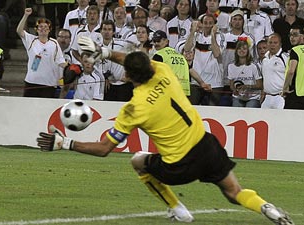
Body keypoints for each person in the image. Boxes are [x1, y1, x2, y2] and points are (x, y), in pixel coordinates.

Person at [36, 35, 295, 225]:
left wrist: (66, 143)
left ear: (128, 76)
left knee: (138, 160)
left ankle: (178, 209)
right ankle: (266, 208)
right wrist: (103, 52)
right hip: (207, 146)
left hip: (179, 165)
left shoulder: (133, 108)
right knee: (234, 192)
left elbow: (105, 149)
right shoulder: (163, 71)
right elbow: (135, 61)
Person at [17, 7, 67, 98]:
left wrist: (70, 67)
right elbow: (19, 31)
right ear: (36, 29)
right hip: (31, 81)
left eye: (46, 27)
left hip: (49, 83)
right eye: (40, 26)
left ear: (49, 29)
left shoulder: (54, 43)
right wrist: (26, 15)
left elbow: (60, 60)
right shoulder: (31, 40)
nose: (43, 28)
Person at [151, 30, 190, 96]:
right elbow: (190, 69)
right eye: (154, 41)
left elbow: (152, 74)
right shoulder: (179, 55)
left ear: (166, 41)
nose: (156, 43)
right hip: (184, 92)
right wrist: (202, 83)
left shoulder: (160, 55)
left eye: (158, 41)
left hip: (169, 92)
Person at [228, 40, 263, 107]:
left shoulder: (254, 66)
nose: (242, 51)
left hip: (253, 98)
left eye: (244, 49)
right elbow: (231, 85)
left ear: (248, 51)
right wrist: (235, 90)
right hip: (238, 97)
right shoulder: (231, 66)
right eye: (239, 48)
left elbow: (260, 85)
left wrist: (247, 86)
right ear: (236, 51)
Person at [261, 33, 288, 109]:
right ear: (267, 44)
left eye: (275, 43)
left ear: (280, 44)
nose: (272, 45)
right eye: (270, 42)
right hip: (267, 97)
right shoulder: (264, 59)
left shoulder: (285, 58)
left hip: (280, 97)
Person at [282, 26, 304, 109]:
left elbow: (291, 71)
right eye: (290, 35)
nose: (292, 37)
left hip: (295, 94)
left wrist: (285, 88)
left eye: (295, 35)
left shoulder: (295, 50)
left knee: (289, 120)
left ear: (302, 36)